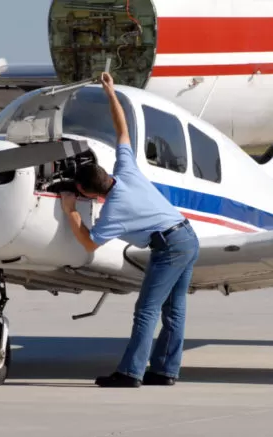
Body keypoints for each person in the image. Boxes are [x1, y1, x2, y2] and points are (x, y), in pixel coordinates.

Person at [59, 72, 200, 388]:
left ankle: (131, 372)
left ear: (89, 193)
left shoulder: (112, 212)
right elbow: (122, 129)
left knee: (146, 310)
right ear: (106, 173)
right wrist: (110, 92)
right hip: (188, 238)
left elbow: (89, 244)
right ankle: (164, 370)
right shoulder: (126, 169)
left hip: (169, 246)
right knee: (174, 312)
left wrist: (71, 212)